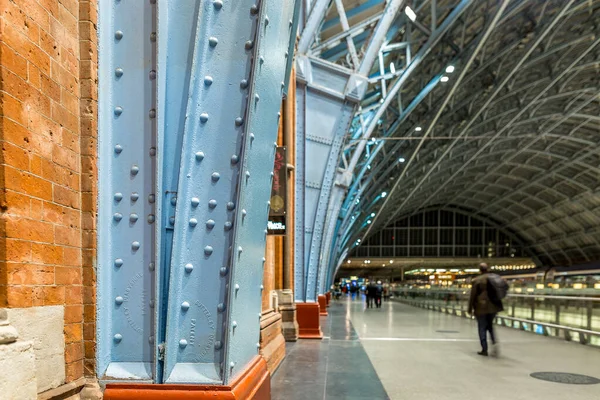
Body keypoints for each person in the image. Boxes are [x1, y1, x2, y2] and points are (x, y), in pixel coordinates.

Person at [468, 263, 504, 357]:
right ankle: (494, 344)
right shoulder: (494, 278)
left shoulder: (477, 280)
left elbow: (473, 296)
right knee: (490, 326)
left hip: (481, 307)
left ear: (480, 270)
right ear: (487, 269)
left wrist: (469, 308)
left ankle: (484, 349)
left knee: (482, 327)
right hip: (493, 307)